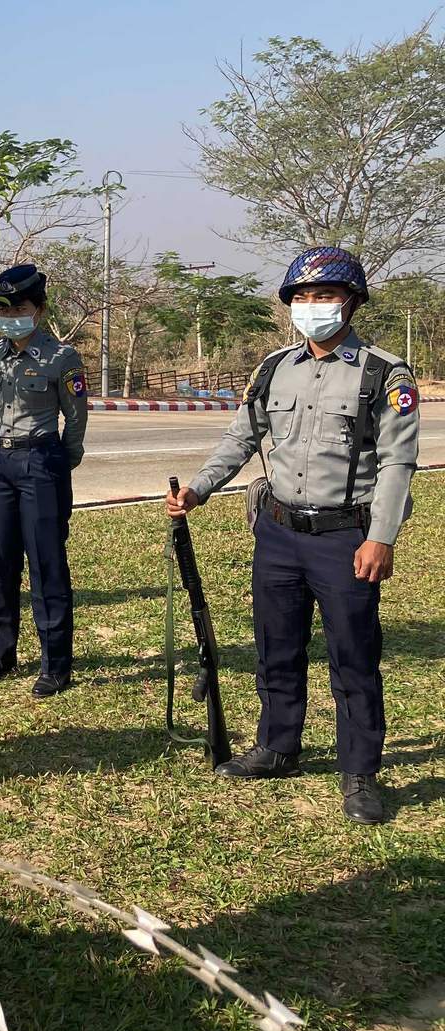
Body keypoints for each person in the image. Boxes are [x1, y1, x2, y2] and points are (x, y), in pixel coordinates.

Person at [168, 247, 419, 825]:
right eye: (302, 298)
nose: (313, 307)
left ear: (352, 302)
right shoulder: (274, 368)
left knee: (353, 657)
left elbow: (397, 463)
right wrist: (201, 488)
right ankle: (279, 745)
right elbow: (241, 438)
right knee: (275, 646)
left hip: (344, 536)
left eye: (326, 296)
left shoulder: (384, 374)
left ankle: (359, 772)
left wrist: (381, 538)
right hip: (278, 533)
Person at [0, 264, 89, 696]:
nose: (8, 316)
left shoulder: (62, 358)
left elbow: (75, 418)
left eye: (18, 307)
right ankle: (2, 651)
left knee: (46, 565)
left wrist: (61, 462)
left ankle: (55, 663)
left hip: (41, 463)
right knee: (1, 561)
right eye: (2, 309)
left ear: (38, 310)